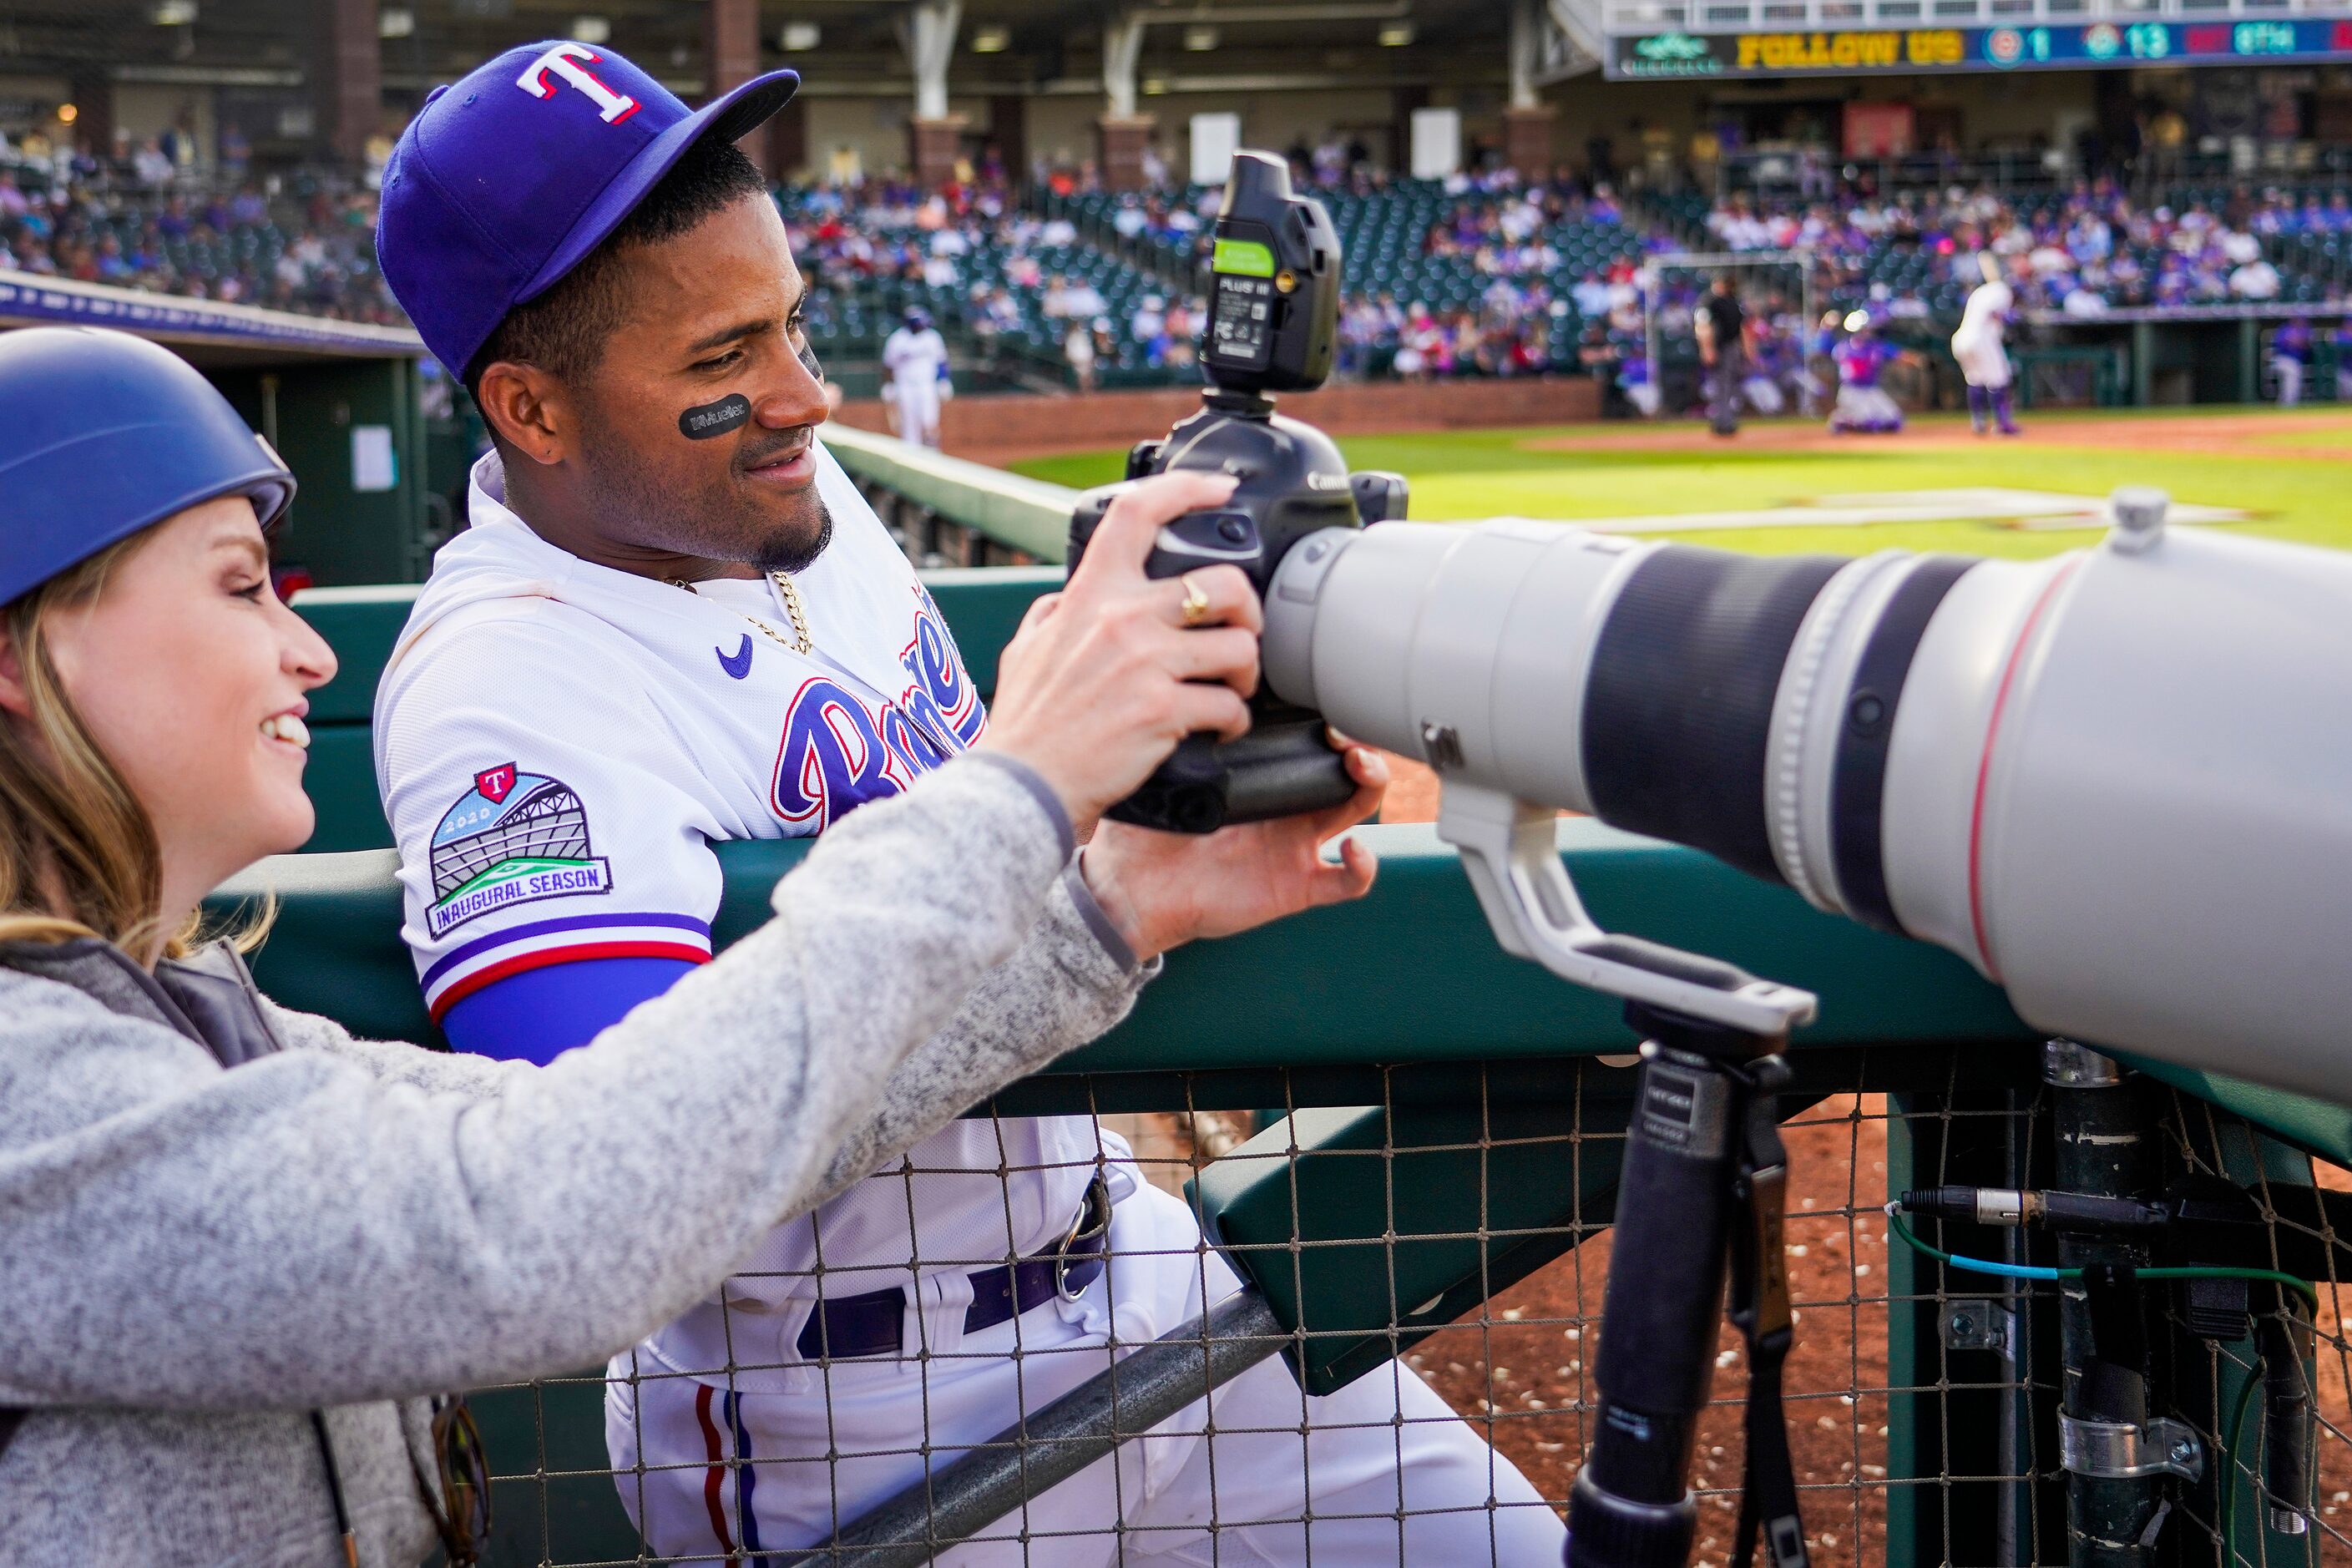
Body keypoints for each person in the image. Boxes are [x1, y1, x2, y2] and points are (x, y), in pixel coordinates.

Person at [372, 44, 1560, 1566]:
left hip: (1133, 1261)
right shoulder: (499, 685)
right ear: (532, 409)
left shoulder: (799, 495)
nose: (808, 393)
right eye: (724, 360)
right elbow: (617, 1183)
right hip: (845, 1410)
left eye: (794, 323)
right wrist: (1086, 885)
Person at [0, 323, 1369, 1565]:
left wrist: (1102, 907)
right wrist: (1012, 792)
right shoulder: (25, 1086)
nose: (307, 651)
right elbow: (551, 1217)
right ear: (23, 656)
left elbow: (590, 1129)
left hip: (1124, 1299)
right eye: (244, 588)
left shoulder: (175, 1005)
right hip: (870, 1405)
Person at [1951, 252, 2022, 437]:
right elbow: (1995, 313)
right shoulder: (2002, 289)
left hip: (1961, 339)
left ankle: (1978, 421)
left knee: (1975, 378)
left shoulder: (1979, 291)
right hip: (1981, 339)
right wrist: (2013, 317)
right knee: (1999, 379)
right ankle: (2003, 423)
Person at [1828, 309, 1907, 434]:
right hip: (1851, 391)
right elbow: (1856, 372)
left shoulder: (1875, 346)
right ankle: (1841, 419)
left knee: (1894, 422)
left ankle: (1850, 418)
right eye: (1864, 329)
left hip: (1871, 390)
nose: (1867, 331)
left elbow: (1898, 354)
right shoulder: (1844, 348)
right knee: (1869, 424)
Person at [882, 306, 949, 447]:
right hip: (905, 386)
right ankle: (911, 456)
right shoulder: (897, 339)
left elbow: (941, 361)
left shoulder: (932, 337)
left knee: (929, 421)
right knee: (909, 425)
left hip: (927, 384)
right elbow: (888, 365)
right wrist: (888, 385)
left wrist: (944, 381)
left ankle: (933, 453)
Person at [1694, 272, 1747, 437]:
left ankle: (1726, 420)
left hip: (1731, 347)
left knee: (1728, 385)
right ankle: (1722, 422)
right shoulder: (1709, 302)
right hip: (1718, 347)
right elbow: (1703, 327)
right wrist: (1707, 349)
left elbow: (1741, 328)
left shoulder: (1732, 301)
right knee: (1719, 386)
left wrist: (1745, 349)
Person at [2273, 316, 2313, 407]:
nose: (2299, 322)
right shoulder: (2284, 329)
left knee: (2292, 377)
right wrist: (2296, 341)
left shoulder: (2305, 329)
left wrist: (2297, 341)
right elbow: (2282, 343)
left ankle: (2285, 403)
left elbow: (2307, 343)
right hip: (2283, 359)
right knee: (2292, 373)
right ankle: (2288, 403)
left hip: (2296, 361)